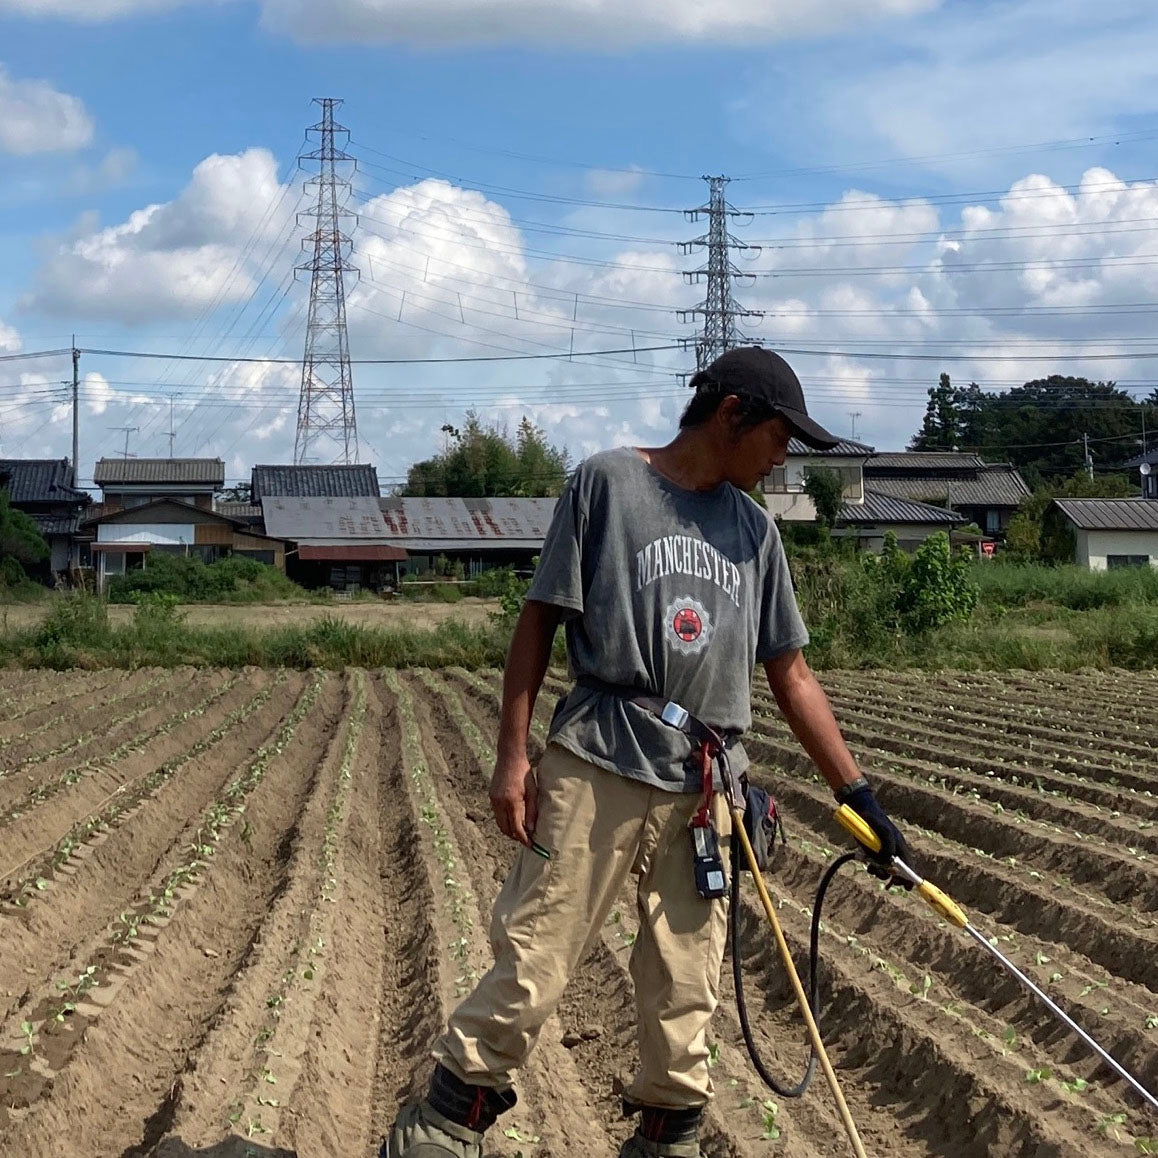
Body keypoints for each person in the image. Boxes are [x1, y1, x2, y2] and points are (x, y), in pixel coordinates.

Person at [383, 346, 914, 1158]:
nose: (784, 459)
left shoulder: (755, 533)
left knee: (686, 989)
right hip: (597, 760)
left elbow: (792, 672)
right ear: (732, 413)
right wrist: (512, 757)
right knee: (535, 960)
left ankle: (667, 1144)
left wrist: (859, 795)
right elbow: (539, 621)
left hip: (705, 789)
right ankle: (441, 1132)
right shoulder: (607, 485)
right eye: (779, 438)